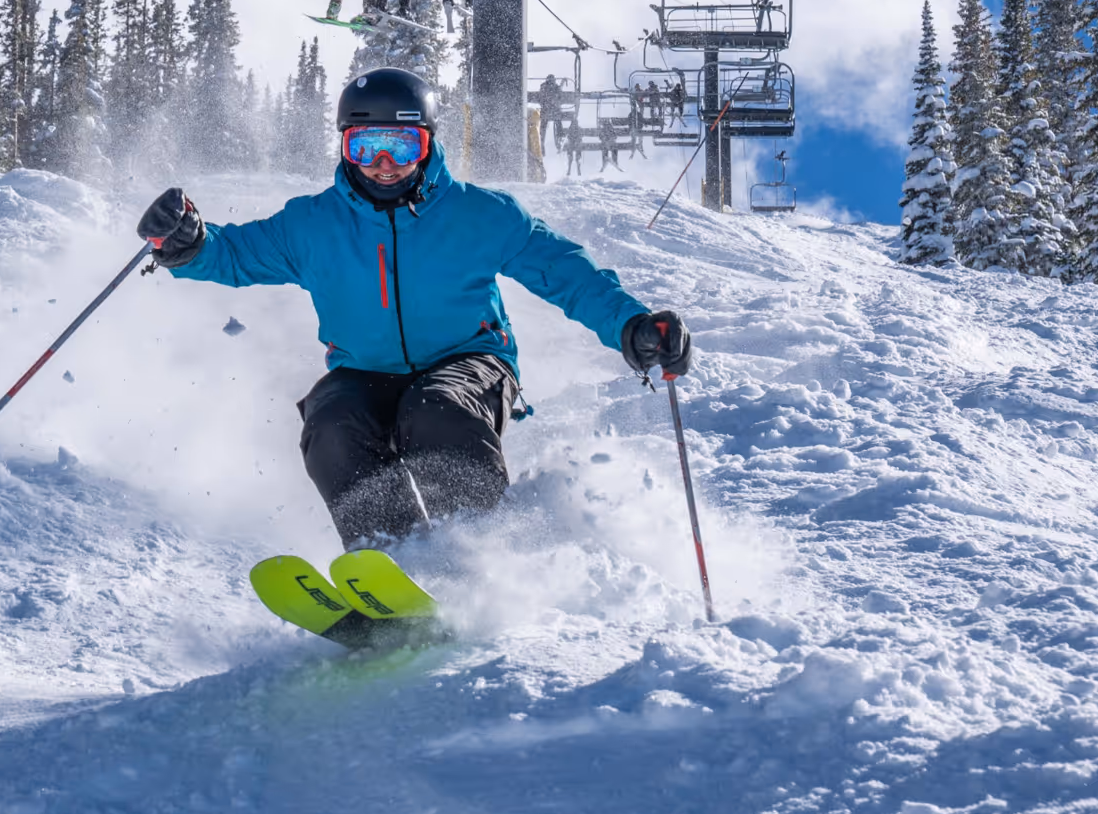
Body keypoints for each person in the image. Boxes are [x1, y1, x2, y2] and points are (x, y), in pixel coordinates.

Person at [137, 67, 691, 547]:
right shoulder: (314, 225)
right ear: (344, 146)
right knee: (329, 422)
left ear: (426, 144)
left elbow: (566, 273)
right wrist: (188, 244)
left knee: (434, 407)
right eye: (365, 147)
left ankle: (480, 548)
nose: (383, 164)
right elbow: (234, 255)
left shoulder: (481, 215)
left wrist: (631, 325)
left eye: (401, 147)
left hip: (470, 364)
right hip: (363, 371)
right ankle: (392, 558)